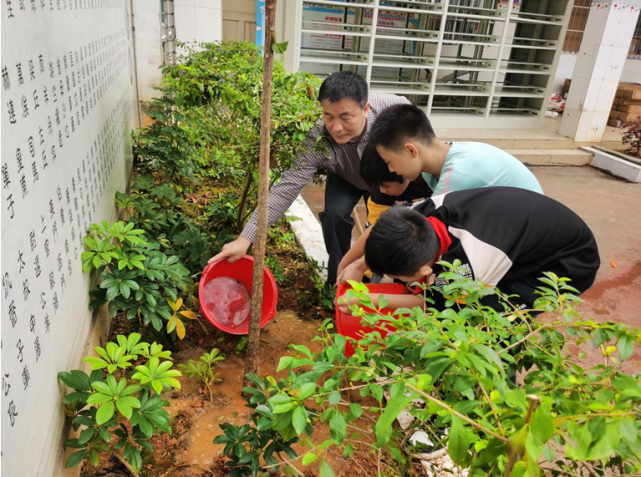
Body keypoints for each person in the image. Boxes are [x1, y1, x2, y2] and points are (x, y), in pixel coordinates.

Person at [208, 71, 411, 284]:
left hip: (384, 180)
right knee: (334, 216)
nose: (336, 127)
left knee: (383, 227)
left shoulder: (392, 110)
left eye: (345, 117)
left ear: (365, 109)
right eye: (328, 116)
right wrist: (245, 238)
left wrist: (406, 175)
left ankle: (373, 281)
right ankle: (337, 282)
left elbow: (420, 133)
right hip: (345, 177)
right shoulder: (317, 137)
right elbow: (287, 186)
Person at [339, 187, 600, 312]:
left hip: (567, 262)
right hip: (522, 233)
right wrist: (356, 265)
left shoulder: (467, 264)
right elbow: (380, 228)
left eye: (399, 275)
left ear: (425, 268)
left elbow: (433, 305)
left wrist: (368, 299)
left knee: (487, 317)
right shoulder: (421, 215)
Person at [369, 103, 544, 196]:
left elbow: (426, 225)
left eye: (389, 162)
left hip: (532, 239)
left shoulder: (458, 173)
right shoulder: (442, 159)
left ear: (411, 150)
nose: (391, 170)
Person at [359, 142, 433, 229]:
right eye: (378, 185)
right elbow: (375, 228)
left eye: (386, 186)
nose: (382, 190)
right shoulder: (380, 194)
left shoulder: (434, 178)